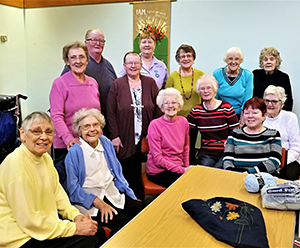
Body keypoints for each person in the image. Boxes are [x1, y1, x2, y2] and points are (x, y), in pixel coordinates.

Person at [0, 111, 104, 248]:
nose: (43, 137)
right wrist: (75, 228)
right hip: (21, 237)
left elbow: (58, 195)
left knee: (98, 233)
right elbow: (29, 221)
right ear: (23, 134)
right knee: (87, 243)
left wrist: (76, 216)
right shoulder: (15, 164)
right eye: (36, 131)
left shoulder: (45, 158)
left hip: (42, 226)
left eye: (49, 132)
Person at [64, 108, 145, 237]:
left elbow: (118, 174)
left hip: (113, 194)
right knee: (126, 225)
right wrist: (98, 202)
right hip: (91, 203)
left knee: (145, 213)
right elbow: (73, 190)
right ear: (79, 131)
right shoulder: (75, 152)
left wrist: (131, 196)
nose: (92, 129)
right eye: (86, 126)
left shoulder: (105, 142)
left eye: (95, 125)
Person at [107, 51, 162, 199]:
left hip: (146, 137)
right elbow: (110, 112)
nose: (133, 66)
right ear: (124, 66)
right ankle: (129, 202)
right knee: (127, 172)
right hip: (124, 137)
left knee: (143, 171)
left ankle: (142, 203)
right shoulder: (117, 85)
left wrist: (153, 133)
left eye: (136, 63)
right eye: (129, 63)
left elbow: (158, 108)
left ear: (141, 65)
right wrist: (115, 136)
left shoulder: (150, 83)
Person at [61, 28, 117, 137]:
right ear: (86, 42)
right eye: (93, 40)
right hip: (81, 128)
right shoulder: (75, 67)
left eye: (101, 40)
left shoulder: (108, 65)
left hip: (103, 124)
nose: (97, 43)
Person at [50, 41, 101, 159]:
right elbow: (56, 116)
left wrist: (98, 138)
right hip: (68, 145)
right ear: (67, 61)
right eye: (73, 57)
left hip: (91, 143)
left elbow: (97, 115)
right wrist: (68, 139)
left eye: (82, 57)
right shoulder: (59, 84)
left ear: (87, 60)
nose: (78, 61)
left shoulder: (93, 83)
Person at [187, 74, 239, 167]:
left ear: (214, 89)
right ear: (199, 91)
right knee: (204, 173)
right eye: (202, 89)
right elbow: (190, 135)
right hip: (206, 153)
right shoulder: (196, 111)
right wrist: (190, 161)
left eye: (209, 88)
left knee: (217, 172)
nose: (206, 91)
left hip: (226, 152)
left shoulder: (226, 107)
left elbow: (236, 131)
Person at [146, 88, 192, 188]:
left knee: (195, 180)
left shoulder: (184, 122)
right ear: (162, 107)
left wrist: (187, 167)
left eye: (174, 102)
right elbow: (157, 159)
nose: (170, 106)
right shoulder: (155, 125)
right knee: (184, 185)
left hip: (178, 167)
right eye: (166, 103)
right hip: (159, 170)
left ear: (179, 106)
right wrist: (182, 171)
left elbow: (185, 148)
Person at [223, 97, 282, 174]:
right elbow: (227, 159)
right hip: (236, 176)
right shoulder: (234, 134)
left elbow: (274, 162)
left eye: (254, 113)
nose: (250, 116)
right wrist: (236, 175)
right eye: (246, 113)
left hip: (264, 177)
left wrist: (249, 173)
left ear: (264, 116)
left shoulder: (273, 135)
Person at [263, 85, 300, 180]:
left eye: (274, 101)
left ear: (282, 104)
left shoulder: (290, 117)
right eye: (267, 100)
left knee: (289, 176)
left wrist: (280, 162)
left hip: (287, 158)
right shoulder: (259, 116)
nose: (270, 104)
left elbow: (296, 147)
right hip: (264, 157)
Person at [164, 44, 204, 117]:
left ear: (193, 58)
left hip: (198, 116)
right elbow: (166, 98)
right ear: (178, 59)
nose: (186, 59)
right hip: (177, 117)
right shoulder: (172, 77)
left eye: (189, 56)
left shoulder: (200, 75)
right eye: (182, 56)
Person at [213, 47, 253, 118]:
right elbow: (214, 97)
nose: (233, 62)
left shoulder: (248, 75)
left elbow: (247, 99)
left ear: (241, 60)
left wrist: (242, 117)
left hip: (240, 113)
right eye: (230, 59)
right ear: (226, 60)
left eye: (237, 59)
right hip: (220, 112)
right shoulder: (217, 74)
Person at [253, 46, 293, 111]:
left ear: (276, 62)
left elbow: (288, 101)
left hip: (277, 113)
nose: (268, 62)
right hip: (258, 112)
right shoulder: (255, 74)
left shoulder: (284, 77)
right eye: (265, 59)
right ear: (262, 62)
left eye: (271, 59)